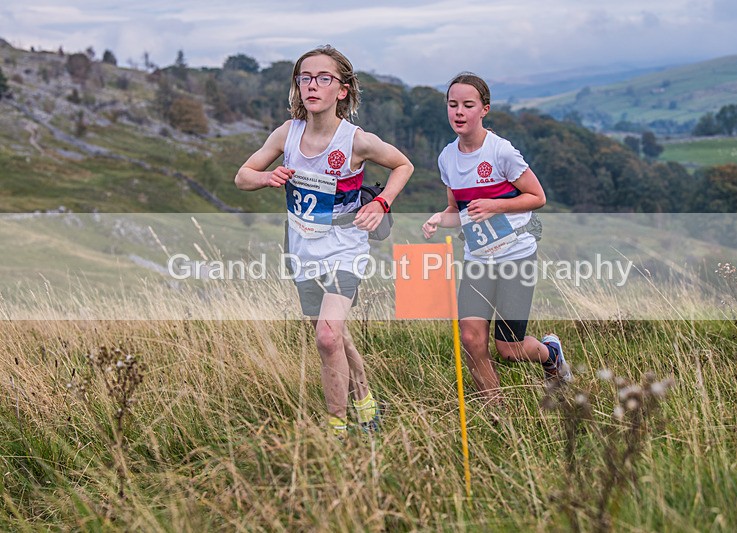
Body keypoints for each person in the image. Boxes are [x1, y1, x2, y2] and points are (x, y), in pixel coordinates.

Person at [235, 45, 413, 439]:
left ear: (343, 90)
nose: (312, 85)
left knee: (327, 336)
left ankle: (336, 430)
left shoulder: (356, 140)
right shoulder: (287, 133)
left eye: (323, 78)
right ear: (297, 86)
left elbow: (403, 164)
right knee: (336, 337)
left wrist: (382, 203)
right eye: (305, 78)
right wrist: (267, 178)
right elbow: (242, 176)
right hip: (302, 250)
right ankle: (366, 404)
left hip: (345, 250)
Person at [422, 72, 571, 405]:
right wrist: (437, 219)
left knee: (509, 349)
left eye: (468, 105)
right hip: (478, 260)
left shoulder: (502, 152)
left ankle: (550, 354)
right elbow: (457, 211)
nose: (458, 112)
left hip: (515, 257)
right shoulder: (447, 158)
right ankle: (497, 413)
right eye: (452, 105)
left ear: (484, 109)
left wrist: (496, 205)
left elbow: (537, 197)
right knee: (472, 339)